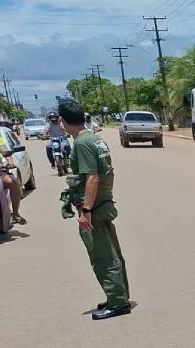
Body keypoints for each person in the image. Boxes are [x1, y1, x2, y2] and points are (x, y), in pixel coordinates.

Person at [62, 101, 130, 320]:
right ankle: (118, 296)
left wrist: (87, 210)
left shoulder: (82, 143)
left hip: (95, 208)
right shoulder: (95, 139)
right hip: (103, 204)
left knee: (103, 257)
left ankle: (118, 302)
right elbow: (109, 174)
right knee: (113, 254)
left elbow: (92, 177)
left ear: (63, 122)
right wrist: (105, 197)